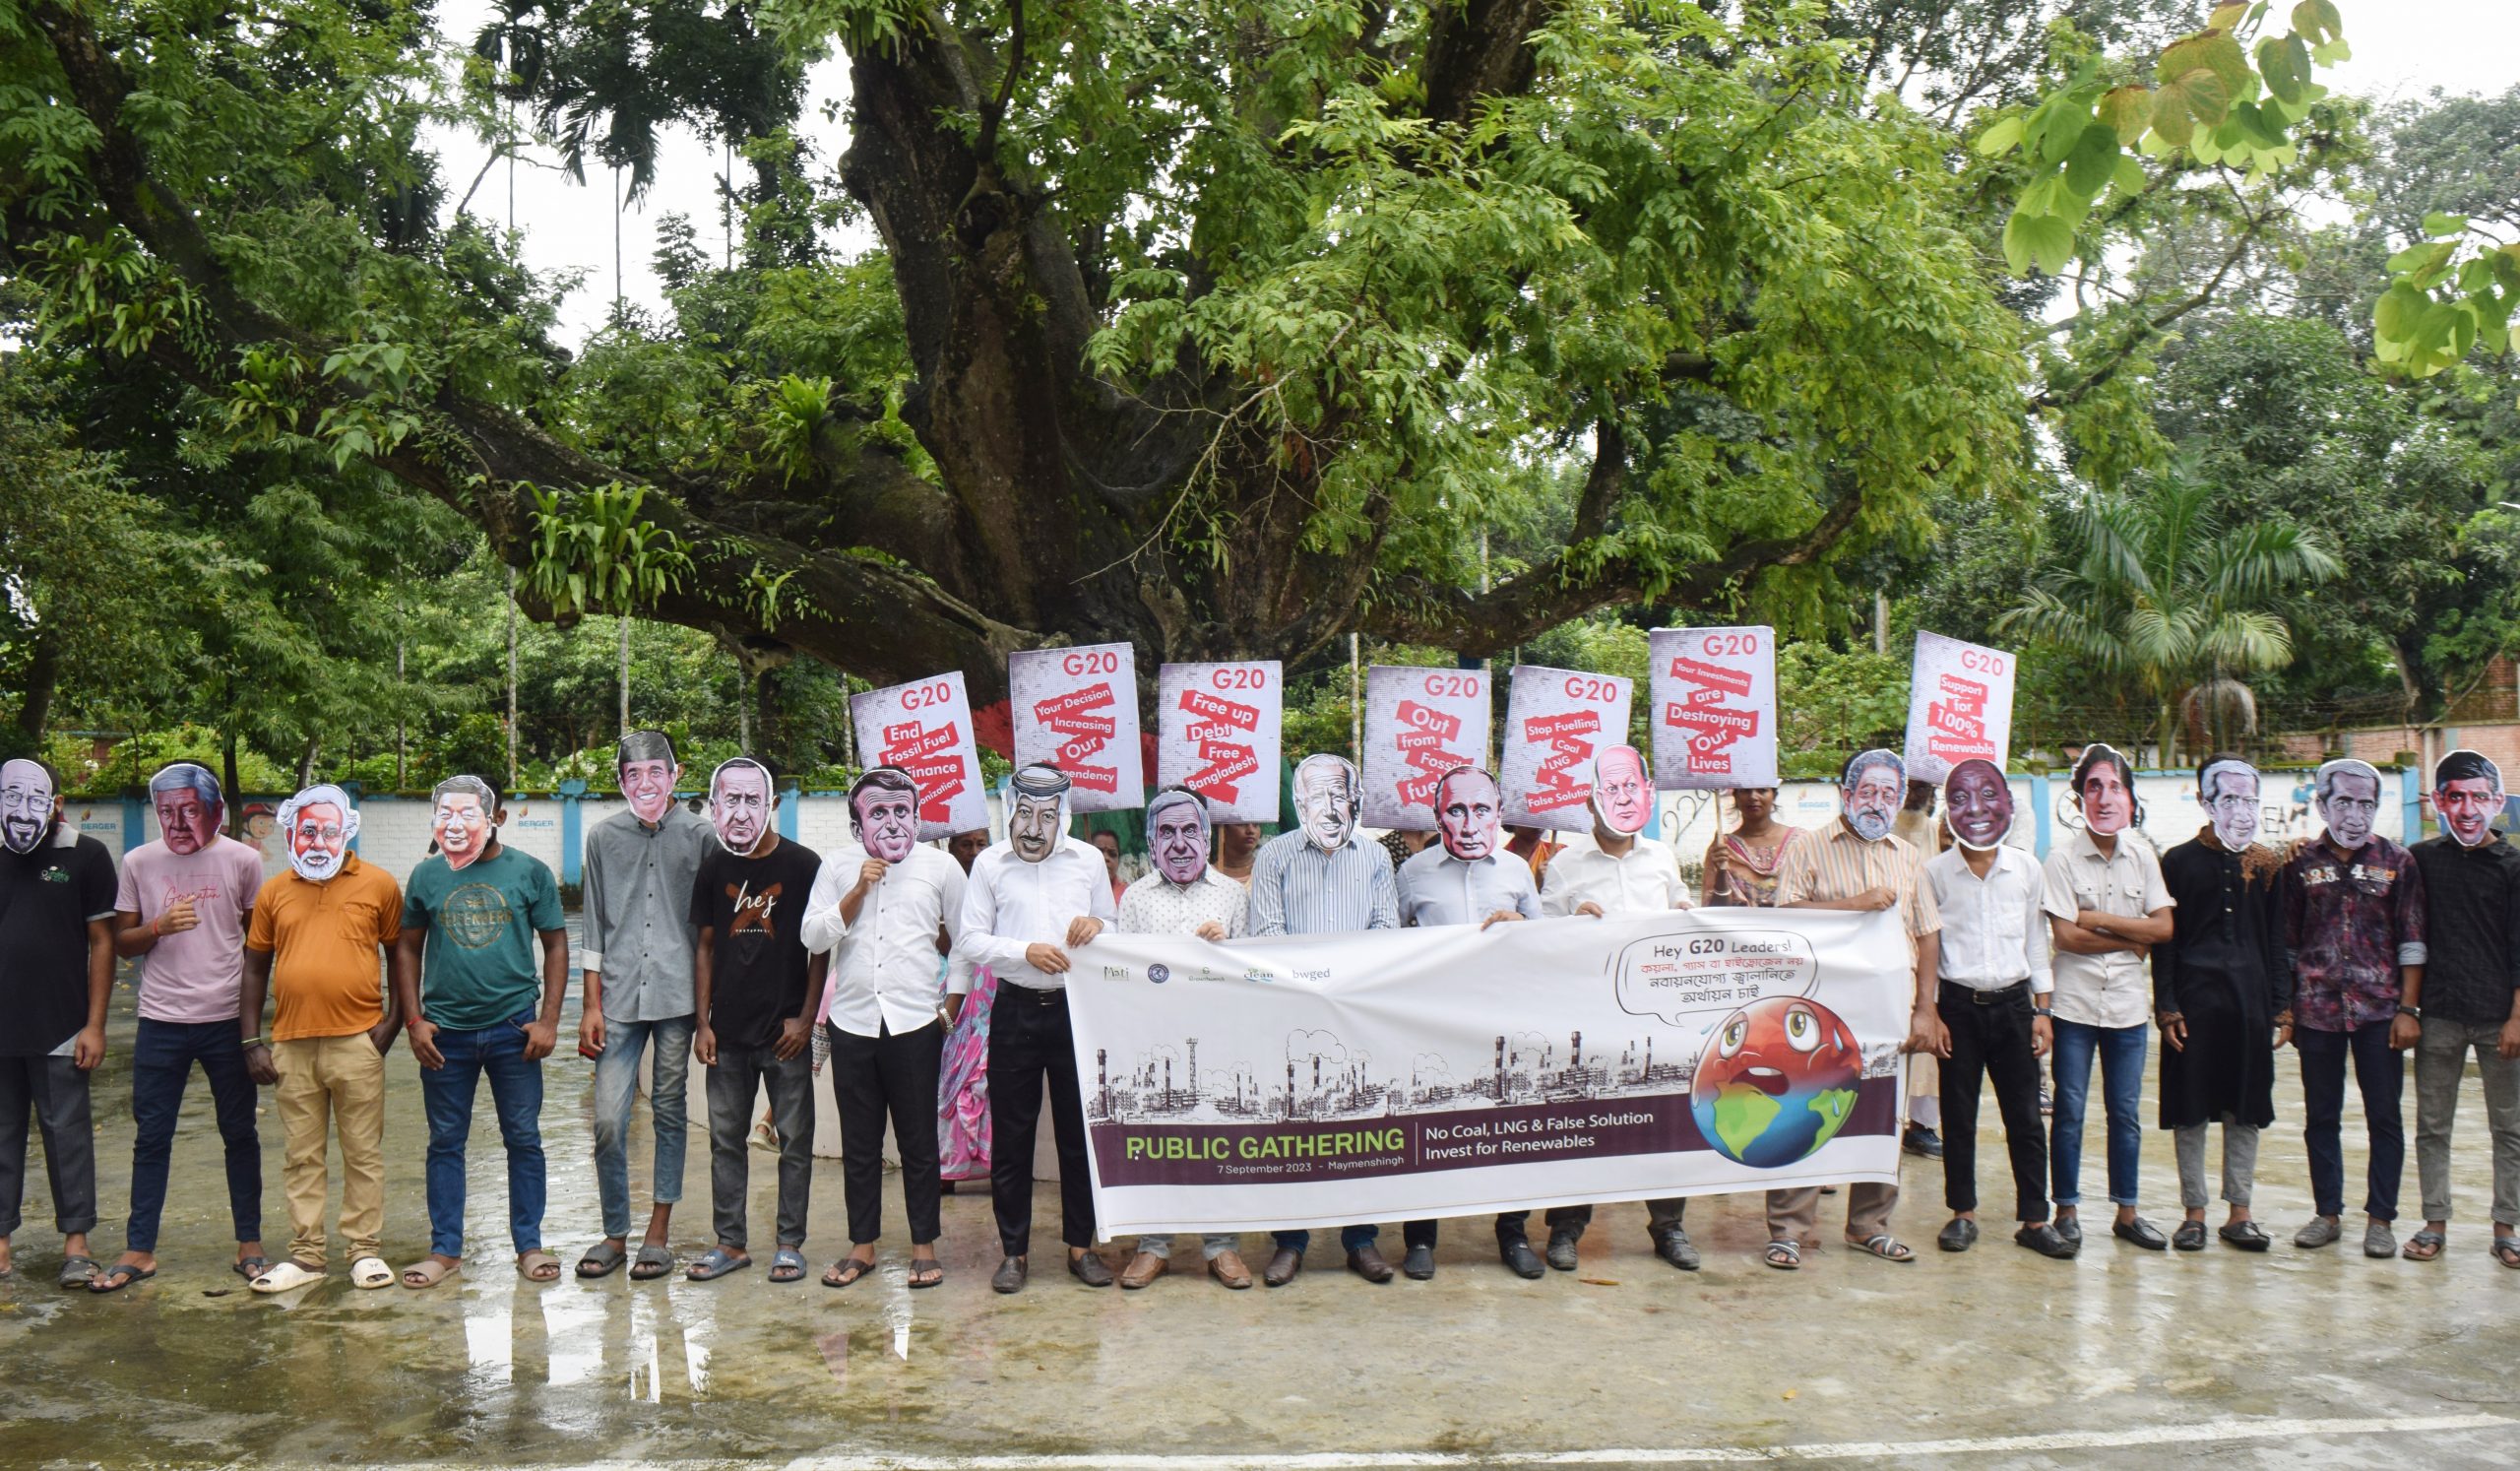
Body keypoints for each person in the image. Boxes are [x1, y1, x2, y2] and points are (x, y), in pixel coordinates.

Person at [1768, 748, 1943, 1269]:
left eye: (1890, 794)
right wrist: (1853, 905)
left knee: (1881, 1119)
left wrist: (1925, 1009)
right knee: (1804, 1116)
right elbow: (1786, 917)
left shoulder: (1908, 856)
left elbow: (1928, 936)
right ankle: (1788, 1231)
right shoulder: (1809, 848)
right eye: (1868, 792)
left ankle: (1869, 1225)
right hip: (1821, 1013)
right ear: (1846, 796)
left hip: (1889, 1013)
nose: (1879, 803)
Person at [393, 776, 569, 1289]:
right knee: (445, 1141)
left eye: (468, 813)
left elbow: (556, 946)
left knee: (524, 1138)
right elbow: (406, 947)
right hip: (444, 1033)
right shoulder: (426, 876)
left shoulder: (530, 873)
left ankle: (529, 1246)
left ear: (497, 817)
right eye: (444, 812)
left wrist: (549, 1020)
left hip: (515, 1030)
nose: (455, 823)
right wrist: (413, 1020)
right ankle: (445, 1251)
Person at [96, 762, 267, 1291]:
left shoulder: (243, 859)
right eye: (166, 811)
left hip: (224, 1020)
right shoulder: (138, 862)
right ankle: (139, 1248)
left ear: (214, 810)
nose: (177, 822)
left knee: (240, 1133)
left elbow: (256, 943)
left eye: (189, 810)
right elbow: (121, 944)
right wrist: (157, 927)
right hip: (160, 1020)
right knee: (152, 1137)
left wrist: (252, 1029)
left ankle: (250, 1245)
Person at [953, 763, 1117, 1293]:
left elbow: (1110, 926)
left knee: (1079, 1134)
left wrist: (1098, 925)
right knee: (1013, 1137)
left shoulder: (1088, 861)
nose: (1032, 827)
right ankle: (1014, 1253)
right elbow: (971, 939)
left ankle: (1080, 1247)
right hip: (1014, 1010)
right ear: (1011, 807)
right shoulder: (991, 865)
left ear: (1063, 814)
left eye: (1046, 816)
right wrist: (1024, 950)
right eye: (1024, 813)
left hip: (1078, 1012)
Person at [238, 783, 407, 1293]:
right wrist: (252, 1041)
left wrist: (393, 1022)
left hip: (357, 1042)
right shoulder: (274, 891)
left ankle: (363, 1252)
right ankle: (307, 1257)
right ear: (292, 833)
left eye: (328, 831)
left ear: (346, 834)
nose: (317, 840)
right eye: (307, 830)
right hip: (291, 1043)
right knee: (302, 1156)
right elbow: (254, 967)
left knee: (362, 1152)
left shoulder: (378, 884)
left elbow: (401, 954)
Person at [802, 766, 960, 1290]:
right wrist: (856, 891)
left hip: (915, 1024)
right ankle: (862, 1246)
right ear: (857, 823)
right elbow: (813, 937)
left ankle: (923, 1247)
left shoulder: (940, 868)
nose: (892, 823)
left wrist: (951, 1006)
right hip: (853, 1024)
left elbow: (965, 943)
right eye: (878, 812)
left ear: (917, 816)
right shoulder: (837, 866)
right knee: (860, 1142)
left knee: (918, 1142)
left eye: (901, 812)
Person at [1537, 746, 1694, 1270]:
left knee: (1665, 1120)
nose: (1622, 799)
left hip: (1658, 1016)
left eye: (1631, 790)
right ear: (1591, 801)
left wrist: (1688, 915)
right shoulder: (1564, 865)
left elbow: (1683, 913)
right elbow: (1538, 942)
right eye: (1611, 791)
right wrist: (1569, 919)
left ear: (1644, 798)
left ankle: (1669, 1228)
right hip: (1590, 1016)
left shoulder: (1663, 858)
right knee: (1583, 1117)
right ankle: (1566, 1229)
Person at [1248, 752, 1399, 1286]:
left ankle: (1362, 1241)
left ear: (1356, 800)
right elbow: (1265, 936)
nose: (1331, 808)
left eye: (1341, 795)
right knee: (1296, 1129)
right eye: (1318, 797)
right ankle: (1291, 1243)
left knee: (1360, 1126)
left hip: (1358, 1014)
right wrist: (1316, 983)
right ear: (1299, 803)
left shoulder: (1377, 858)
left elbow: (1387, 929)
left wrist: (1344, 981)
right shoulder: (1275, 856)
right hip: (1294, 1014)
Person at [1396, 765, 1542, 1280]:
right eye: (1457, 809)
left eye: (1482, 809)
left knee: (1508, 1133)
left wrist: (1522, 925)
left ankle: (1513, 1233)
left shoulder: (1517, 872)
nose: (1471, 821)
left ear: (1500, 816)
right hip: (1432, 1027)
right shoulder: (1413, 873)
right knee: (1427, 1128)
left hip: (1503, 1025)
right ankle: (1420, 1239)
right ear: (1438, 818)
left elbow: (1546, 946)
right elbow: (1386, 946)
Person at [575, 730, 710, 1282]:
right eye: (634, 774)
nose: (646, 783)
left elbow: (709, 932)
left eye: (657, 771)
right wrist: (590, 1004)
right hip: (619, 996)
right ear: (621, 782)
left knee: (670, 1110)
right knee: (609, 1117)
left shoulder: (703, 836)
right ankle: (614, 1233)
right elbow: (592, 924)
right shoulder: (602, 837)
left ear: (676, 776)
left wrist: (706, 1014)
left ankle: (658, 1231)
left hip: (679, 997)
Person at [685, 757, 826, 1285]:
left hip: (784, 1034)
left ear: (772, 805)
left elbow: (820, 948)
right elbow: (703, 945)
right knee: (725, 1141)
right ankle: (731, 1244)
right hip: (728, 1034)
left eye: (752, 800)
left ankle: (789, 1243)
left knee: (794, 1141)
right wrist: (704, 1021)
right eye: (730, 800)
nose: (740, 811)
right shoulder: (714, 866)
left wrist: (805, 1018)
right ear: (717, 806)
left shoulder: (804, 865)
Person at [1103, 787, 1251, 1290]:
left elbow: (1256, 976)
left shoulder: (1232, 896)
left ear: (1207, 838)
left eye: (1191, 830)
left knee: (1220, 1142)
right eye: (1168, 832)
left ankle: (1222, 1246)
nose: (1181, 842)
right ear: (1151, 839)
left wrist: (1227, 952)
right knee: (1157, 1143)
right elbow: (1120, 975)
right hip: (1156, 1044)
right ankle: (1153, 1246)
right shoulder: (1137, 899)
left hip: (1219, 1042)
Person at [1923, 759, 2070, 1258]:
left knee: (2026, 1117)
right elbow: (1928, 947)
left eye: (1989, 796)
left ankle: (2034, 1218)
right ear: (1949, 811)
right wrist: (1932, 1012)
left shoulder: (2026, 869)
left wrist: (2043, 1010)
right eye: (1961, 799)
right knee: (1958, 1115)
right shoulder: (1936, 873)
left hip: (2014, 1008)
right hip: (1958, 1009)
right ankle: (1962, 1213)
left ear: (2006, 806)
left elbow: (2035, 940)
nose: (1976, 809)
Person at [2284, 756, 2425, 1258]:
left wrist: (2409, 1010)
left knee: (2383, 1116)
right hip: (2317, 1011)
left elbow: (2412, 939)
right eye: (2343, 801)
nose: (2355, 814)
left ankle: (2381, 1219)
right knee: (2322, 1115)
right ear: (2322, 804)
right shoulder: (2300, 863)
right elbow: (2289, 941)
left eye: (2367, 803)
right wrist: (2288, 1009)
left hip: (2380, 1012)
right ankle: (2327, 1213)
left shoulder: (2397, 862)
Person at [2155, 756, 2292, 1253]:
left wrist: (2282, 1005)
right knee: (2190, 1108)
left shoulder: (2270, 864)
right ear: (2205, 801)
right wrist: (2166, 1006)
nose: (2241, 808)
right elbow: (2166, 942)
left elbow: (2278, 940)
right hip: (2194, 1006)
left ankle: (2241, 1213)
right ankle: (2193, 1214)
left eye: (2249, 798)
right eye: (2229, 798)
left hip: (2251, 1005)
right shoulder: (2177, 861)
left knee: (2246, 1106)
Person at [2041, 742, 2174, 1251]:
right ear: (2079, 799)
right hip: (2073, 1006)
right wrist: (2130, 936)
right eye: (2093, 786)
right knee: (2070, 1109)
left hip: (2126, 1009)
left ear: (2130, 799)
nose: (2104, 796)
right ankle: (2067, 1209)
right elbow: (2067, 938)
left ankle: (2127, 1211)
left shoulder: (2143, 856)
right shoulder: (2061, 859)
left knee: (2125, 1112)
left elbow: (2162, 928)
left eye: (2115, 786)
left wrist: (2096, 917)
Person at [2402, 749, 2520, 1267]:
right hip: (2440, 1014)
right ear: (2437, 802)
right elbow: (2408, 933)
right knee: (2433, 1124)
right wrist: (2409, 1008)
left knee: (2510, 1127)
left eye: (2478, 797)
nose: (2467, 809)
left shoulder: (2515, 866)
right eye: (2455, 797)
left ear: (2498, 802)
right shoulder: (2421, 860)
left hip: (2501, 1018)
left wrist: (2518, 1016)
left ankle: (2506, 1227)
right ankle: (2434, 1223)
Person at [0, 758, 113, 1288]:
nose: (22, 810)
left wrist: (94, 1024)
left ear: (56, 805)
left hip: (63, 1027)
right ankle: (0, 1244)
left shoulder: (87, 856)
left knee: (67, 1136)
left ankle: (77, 1245)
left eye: (35, 799)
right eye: (10, 796)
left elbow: (102, 943)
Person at [937, 828, 996, 1190]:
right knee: (951, 1079)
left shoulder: (997, 878)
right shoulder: (943, 881)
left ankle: (993, 1166)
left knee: (986, 1081)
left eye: (981, 844)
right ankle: (948, 1170)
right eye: (966, 845)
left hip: (993, 993)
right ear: (951, 847)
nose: (974, 852)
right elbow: (949, 945)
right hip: (956, 996)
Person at [1702, 787, 1804, 908]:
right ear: (1735, 796)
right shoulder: (1722, 848)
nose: (1753, 797)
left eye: (1762, 791)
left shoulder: (1801, 842)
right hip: (1743, 926)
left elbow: (1819, 895)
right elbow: (1714, 912)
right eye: (1745, 791)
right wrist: (1721, 872)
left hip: (1791, 925)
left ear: (1774, 795)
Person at [1213, 821, 1263, 885]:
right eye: (1241, 824)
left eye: (1256, 824)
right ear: (1223, 830)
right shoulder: (1206, 875)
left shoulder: (1267, 871)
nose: (1251, 830)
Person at [1090, 828, 1127, 907]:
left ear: (1118, 860)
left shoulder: (1128, 895)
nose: (1106, 858)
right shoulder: (1075, 890)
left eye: (1112, 854)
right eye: (1099, 852)